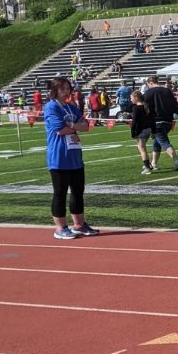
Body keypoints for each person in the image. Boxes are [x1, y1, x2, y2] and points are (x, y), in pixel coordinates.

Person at [44, 77, 99, 240]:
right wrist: (76, 127)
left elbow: (86, 126)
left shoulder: (71, 106)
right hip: (59, 155)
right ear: (55, 90)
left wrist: (74, 127)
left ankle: (79, 225)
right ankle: (60, 227)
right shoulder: (51, 106)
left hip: (74, 154)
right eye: (62, 89)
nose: (66, 91)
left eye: (68, 88)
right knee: (60, 193)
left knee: (77, 191)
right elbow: (59, 129)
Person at [143, 76, 178, 171]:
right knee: (157, 142)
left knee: (163, 142)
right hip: (168, 122)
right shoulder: (166, 91)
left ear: (150, 82)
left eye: (148, 84)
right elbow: (175, 105)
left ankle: (177, 161)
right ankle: (153, 164)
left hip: (156, 122)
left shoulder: (148, 93)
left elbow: (145, 109)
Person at [129, 90, 155, 175]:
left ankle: (147, 168)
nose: (131, 99)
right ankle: (149, 165)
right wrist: (153, 131)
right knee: (141, 147)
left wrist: (133, 132)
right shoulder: (146, 106)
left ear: (136, 98)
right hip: (148, 129)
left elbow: (135, 121)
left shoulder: (136, 108)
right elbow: (152, 120)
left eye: (131, 98)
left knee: (142, 148)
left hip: (141, 130)